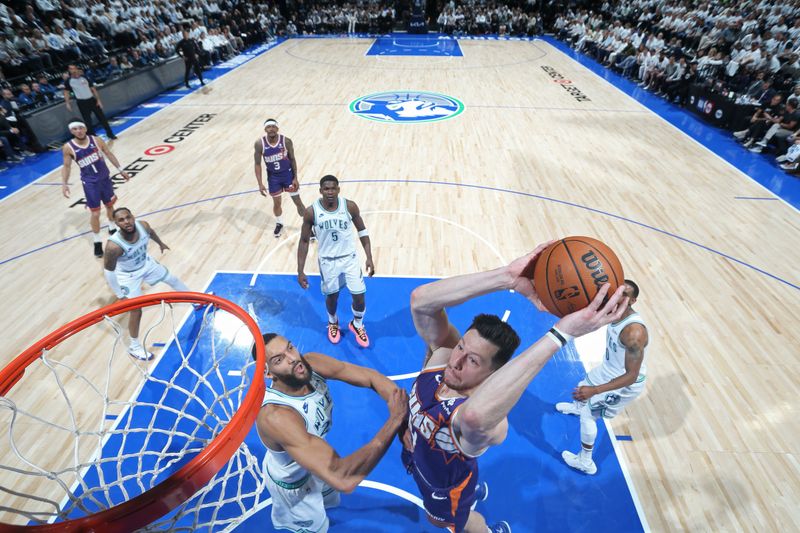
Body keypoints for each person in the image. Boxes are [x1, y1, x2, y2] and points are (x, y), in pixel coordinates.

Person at [401, 243, 628, 533]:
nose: (455, 360)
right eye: (460, 346)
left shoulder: (484, 422)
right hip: (420, 458)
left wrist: (563, 333)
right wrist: (507, 276)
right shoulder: (445, 357)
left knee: (459, 523)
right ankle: (472, 498)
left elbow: (474, 417)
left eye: (472, 360)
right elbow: (421, 301)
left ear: (492, 374)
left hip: (446, 488)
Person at [253, 332, 408, 532]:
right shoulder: (276, 416)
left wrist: (403, 418)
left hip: (315, 455)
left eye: (290, 347)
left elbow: (370, 377)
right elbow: (343, 478)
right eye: (279, 359)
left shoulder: (310, 363)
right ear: (268, 373)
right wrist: (395, 420)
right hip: (294, 483)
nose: (293, 359)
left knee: (329, 498)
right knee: (317, 526)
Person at [556, 279, 647, 475]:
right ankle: (578, 408)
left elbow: (631, 375)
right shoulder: (614, 312)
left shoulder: (634, 333)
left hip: (625, 383)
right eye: (617, 292)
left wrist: (595, 390)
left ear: (633, 301)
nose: (618, 297)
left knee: (590, 414)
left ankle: (585, 461)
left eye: (625, 295)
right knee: (583, 384)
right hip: (608, 369)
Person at [103, 207, 192, 360]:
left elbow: (151, 233)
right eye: (121, 220)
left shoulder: (142, 225)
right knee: (136, 310)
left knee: (172, 279)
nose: (126, 222)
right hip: (128, 276)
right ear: (116, 224)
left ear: (133, 216)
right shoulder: (114, 246)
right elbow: (109, 272)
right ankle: (134, 347)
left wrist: (161, 243)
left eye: (128, 217)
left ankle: (195, 302)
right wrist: (120, 295)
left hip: (145, 264)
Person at [297, 175, 375, 348]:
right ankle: (333, 322)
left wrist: (369, 256)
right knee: (332, 297)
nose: (330, 192)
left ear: (338, 189)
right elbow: (303, 241)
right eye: (326, 189)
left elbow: (362, 231)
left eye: (333, 188)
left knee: (359, 296)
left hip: (349, 259)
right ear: (321, 191)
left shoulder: (349, 206)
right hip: (328, 262)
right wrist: (300, 270)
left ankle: (357, 325)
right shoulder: (312, 212)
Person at [61, 120, 130, 257]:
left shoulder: (97, 140)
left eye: (81, 128)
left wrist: (121, 169)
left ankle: (112, 228)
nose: (79, 131)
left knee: (110, 206)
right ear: (71, 131)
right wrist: (64, 183)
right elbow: (67, 166)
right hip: (90, 183)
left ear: (86, 128)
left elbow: (108, 154)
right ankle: (97, 242)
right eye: (75, 129)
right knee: (96, 214)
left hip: (105, 179)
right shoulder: (68, 147)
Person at [253, 118, 306, 237]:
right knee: (277, 203)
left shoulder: (286, 141)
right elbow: (257, 164)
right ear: (265, 129)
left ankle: (308, 225)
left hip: (287, 175)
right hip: (273, 178)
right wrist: (260, 183)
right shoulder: (260, 144)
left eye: (273, 126)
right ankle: (280, 223)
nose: (271, 129)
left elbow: (292, 159)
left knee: (298, 201)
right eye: (268, 127)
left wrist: (295, 177)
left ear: (277, 128)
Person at [63, 64, 117, 139]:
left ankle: (110, 134)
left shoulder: (84, 77)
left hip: (91, 100)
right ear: (69, 70)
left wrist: (98, 100)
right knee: (88, 122)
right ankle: (93, 137)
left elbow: (93, 89)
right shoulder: (68, 81)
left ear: (76, 68)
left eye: (74, 68)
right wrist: (67, 103)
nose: (73, 70)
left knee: (102, 118)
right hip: (82, 102)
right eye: (71, 69)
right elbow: (66, 92)